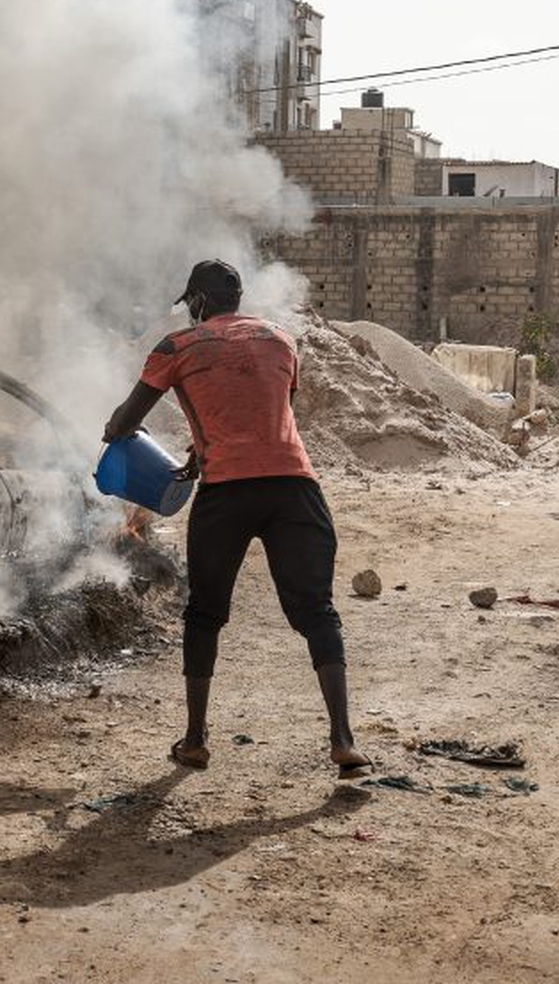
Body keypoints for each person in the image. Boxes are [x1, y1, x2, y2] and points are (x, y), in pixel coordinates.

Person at [102, 259, 370, 776]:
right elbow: (264, 414)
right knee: (317, 612)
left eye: (191, 305)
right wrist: (201, 449)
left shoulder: (177, 346)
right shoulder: (281, 340)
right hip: (294, 487)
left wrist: (114, 433)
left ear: (197, 302)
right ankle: (342, 740)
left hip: (226, 493)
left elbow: (127, 420)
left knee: (205, 614)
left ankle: (196, 740)